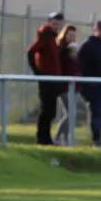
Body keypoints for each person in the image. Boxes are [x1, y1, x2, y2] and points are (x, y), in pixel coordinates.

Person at [26, 12, 64, 145]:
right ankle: (42, 138)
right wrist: (38, 72)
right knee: (47, 110)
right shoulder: (46, 36)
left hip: (52, 79)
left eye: (58, 24)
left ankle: (45, 138)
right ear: (49, 23)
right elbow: (31, 51)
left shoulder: (52, 38)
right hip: (47, 79)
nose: (56, 26)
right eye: (54, 23)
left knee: (50, 110)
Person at [77, 20, 101, 148]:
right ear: (95, 30)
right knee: (96, 112)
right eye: (100, 29)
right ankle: (96, 140)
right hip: (92, 86)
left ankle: (97, 139)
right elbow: (79, 66)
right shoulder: (87, 46)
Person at [53, 24, 80, 146]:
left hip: (73, 86)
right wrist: (68, 52)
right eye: (70, 35)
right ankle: (58, 137)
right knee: (71, 113)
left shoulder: (73, 50)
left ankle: (65, 139)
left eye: (74, 36)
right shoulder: (60, 49)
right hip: (63, 86)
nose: (72, 38)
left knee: (71, 114)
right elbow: (61, 65)